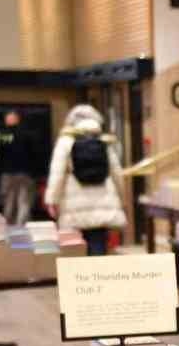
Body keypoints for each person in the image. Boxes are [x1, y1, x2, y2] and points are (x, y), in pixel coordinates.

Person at [45, 105, 127, 256]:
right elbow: (117, 172)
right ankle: (98, 276)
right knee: (98, 243)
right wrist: (122, 199)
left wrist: (52, 200)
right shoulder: (103, 141)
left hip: (73, 202)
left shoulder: (65, 141)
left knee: (74, 248)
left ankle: (79, 277)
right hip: (103, 199)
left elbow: (57, 173)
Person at [0, 109, 36, 223]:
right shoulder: (27, 133)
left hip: (9, 172)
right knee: (23, 203)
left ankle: (8, 230)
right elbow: (34, 153)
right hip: (24, 172)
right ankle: (22, 229)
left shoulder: (1, 135)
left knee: (8, 203)